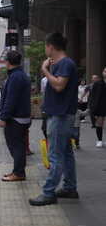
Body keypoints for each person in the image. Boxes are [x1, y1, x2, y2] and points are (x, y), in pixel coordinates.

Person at [29, 32, 79, 206]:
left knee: (55, 155)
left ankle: (49, 192)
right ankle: (69, 187)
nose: (45, 49)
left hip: (60, 115)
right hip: (60, 114)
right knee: (65, 153)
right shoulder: (62, 63)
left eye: (45, 46)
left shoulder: (65, 63)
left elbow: (58, 85)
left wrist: (44, 70)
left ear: (51, 46)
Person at [0, 51, 31, 182]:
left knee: (16, 146)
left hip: (16, 118)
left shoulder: (15, 77)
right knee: (19, 146)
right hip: (21, 116)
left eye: (5, 61)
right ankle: (17, 171)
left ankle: (18, 173)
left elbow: (11, 99)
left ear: (8, 62)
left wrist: (4, 117)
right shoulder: (21, 75)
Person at [88, 67, 106, 147]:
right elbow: (92, 97)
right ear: (102, 73)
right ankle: (99, 140)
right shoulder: (97, 83)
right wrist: (93, 109)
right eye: (105, 71)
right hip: (101, 106)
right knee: (99, 124)